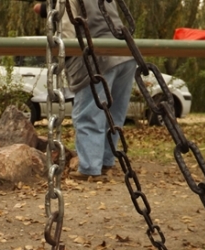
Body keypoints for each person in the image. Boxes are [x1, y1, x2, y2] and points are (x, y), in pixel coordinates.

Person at [34, 0, 136, 181]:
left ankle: (90, 168)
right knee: (113, 115)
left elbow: (67, 34)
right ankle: (105, 161)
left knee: (89, 114)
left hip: (97, 57)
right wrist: (47, 8)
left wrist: (64, 60)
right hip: (125, 53)